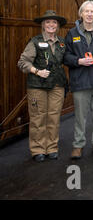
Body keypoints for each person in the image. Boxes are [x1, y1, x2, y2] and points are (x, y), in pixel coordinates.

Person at [18, 10, 68, 162]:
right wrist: (37, 71)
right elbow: (22, 63)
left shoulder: (61, 42)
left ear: (58, 25)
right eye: (48, 22)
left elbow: (70, 59)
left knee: (53, 117)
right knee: (38, 117)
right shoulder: (35, 41)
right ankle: (38, 149)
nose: (51, 25)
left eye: (54, 22)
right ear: (43, 25)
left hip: (57, 85)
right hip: (37, 86)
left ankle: (52, 147)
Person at [64, 0, 93, 159]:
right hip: (81, 81)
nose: (90, 14)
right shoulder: (72, 33)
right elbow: (66, 56)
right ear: (81, 14)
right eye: (87, 11)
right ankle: (78, 145)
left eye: (92, 12)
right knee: (80, 117)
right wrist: (78, 61)